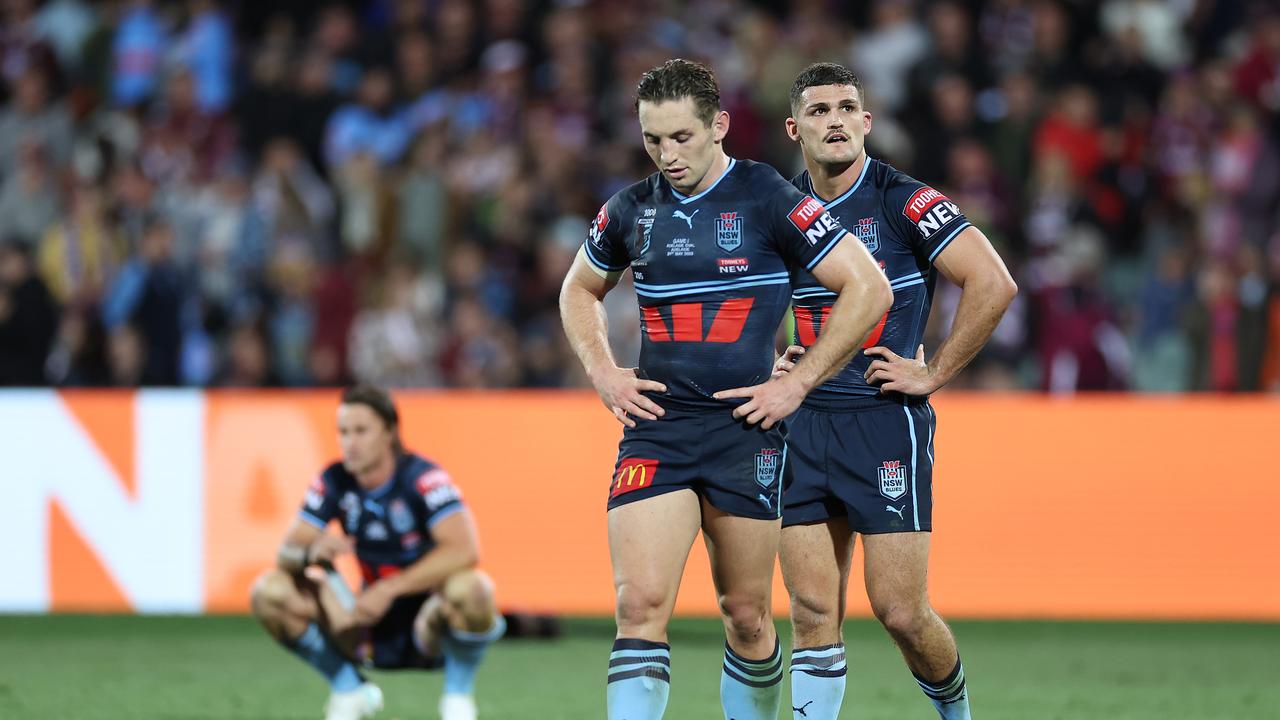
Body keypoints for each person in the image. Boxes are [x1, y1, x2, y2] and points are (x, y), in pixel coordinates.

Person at [558, 58, 892, 720]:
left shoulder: (768, 198)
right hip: (659, 426)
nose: (667, 154)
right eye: (653, 139)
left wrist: (798, 382)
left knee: (744, 615)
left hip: (747, 430)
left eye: (681, 137)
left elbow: (869, 287)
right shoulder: (631, 209)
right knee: (639, 604)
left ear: (719, 126)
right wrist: (601, 369)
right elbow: (578, 288)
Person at [773, 63, 1017, 720]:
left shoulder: (904, 200)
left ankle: (956, 715)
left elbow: (992, 282)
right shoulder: (778, 208)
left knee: (902, 612)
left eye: (847, 107)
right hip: (801, 424)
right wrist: (773, 361)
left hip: (884, 421)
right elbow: (759, 304)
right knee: (812, 611)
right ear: (795, 128)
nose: (835, 121)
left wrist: (933, 372)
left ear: (866, 122)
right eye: (819, 111)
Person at [250, 384, 504, 720]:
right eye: (342, 432)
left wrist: (390, 588)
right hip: (367, 622)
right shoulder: (334, 480)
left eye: (360, 431)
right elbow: (287, 552)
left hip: (429, 622)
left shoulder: (423, 478)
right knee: (269, 591)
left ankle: (457, 700)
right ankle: (349, 689)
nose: (348, 443)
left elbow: (464, 549)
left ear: (389, 433)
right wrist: (310, 555)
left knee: (474, 589)